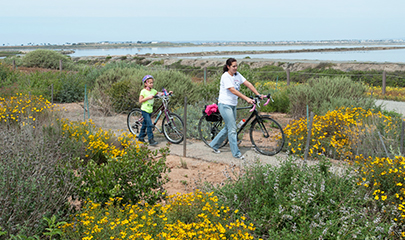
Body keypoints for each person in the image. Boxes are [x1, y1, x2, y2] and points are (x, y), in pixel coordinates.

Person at [209, 58, 263, 159]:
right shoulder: (225, 76)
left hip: (233, 104)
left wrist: (258, 94)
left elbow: (248, 84)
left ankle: (214, 144)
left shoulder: (237, 75)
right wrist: (247, 98)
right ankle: (236, 154)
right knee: (232, 129)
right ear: (228, 67)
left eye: (236, 66)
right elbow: (233, 90)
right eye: (233, 66)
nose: (235, 68)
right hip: (225, 104)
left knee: (228, 127)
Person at [138, 75, 172, 146]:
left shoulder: (153, 91)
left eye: (152, 83)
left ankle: (141, 137)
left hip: (150, 110)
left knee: (144, 124)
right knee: (150, 125)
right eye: (150, 83)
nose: (152, 84)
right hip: (145, 110)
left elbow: (160, 93)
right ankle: (151, 140)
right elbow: (140, 100)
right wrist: (148, 98)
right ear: (145, 83)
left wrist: (168, 93)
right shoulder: (143, 91)